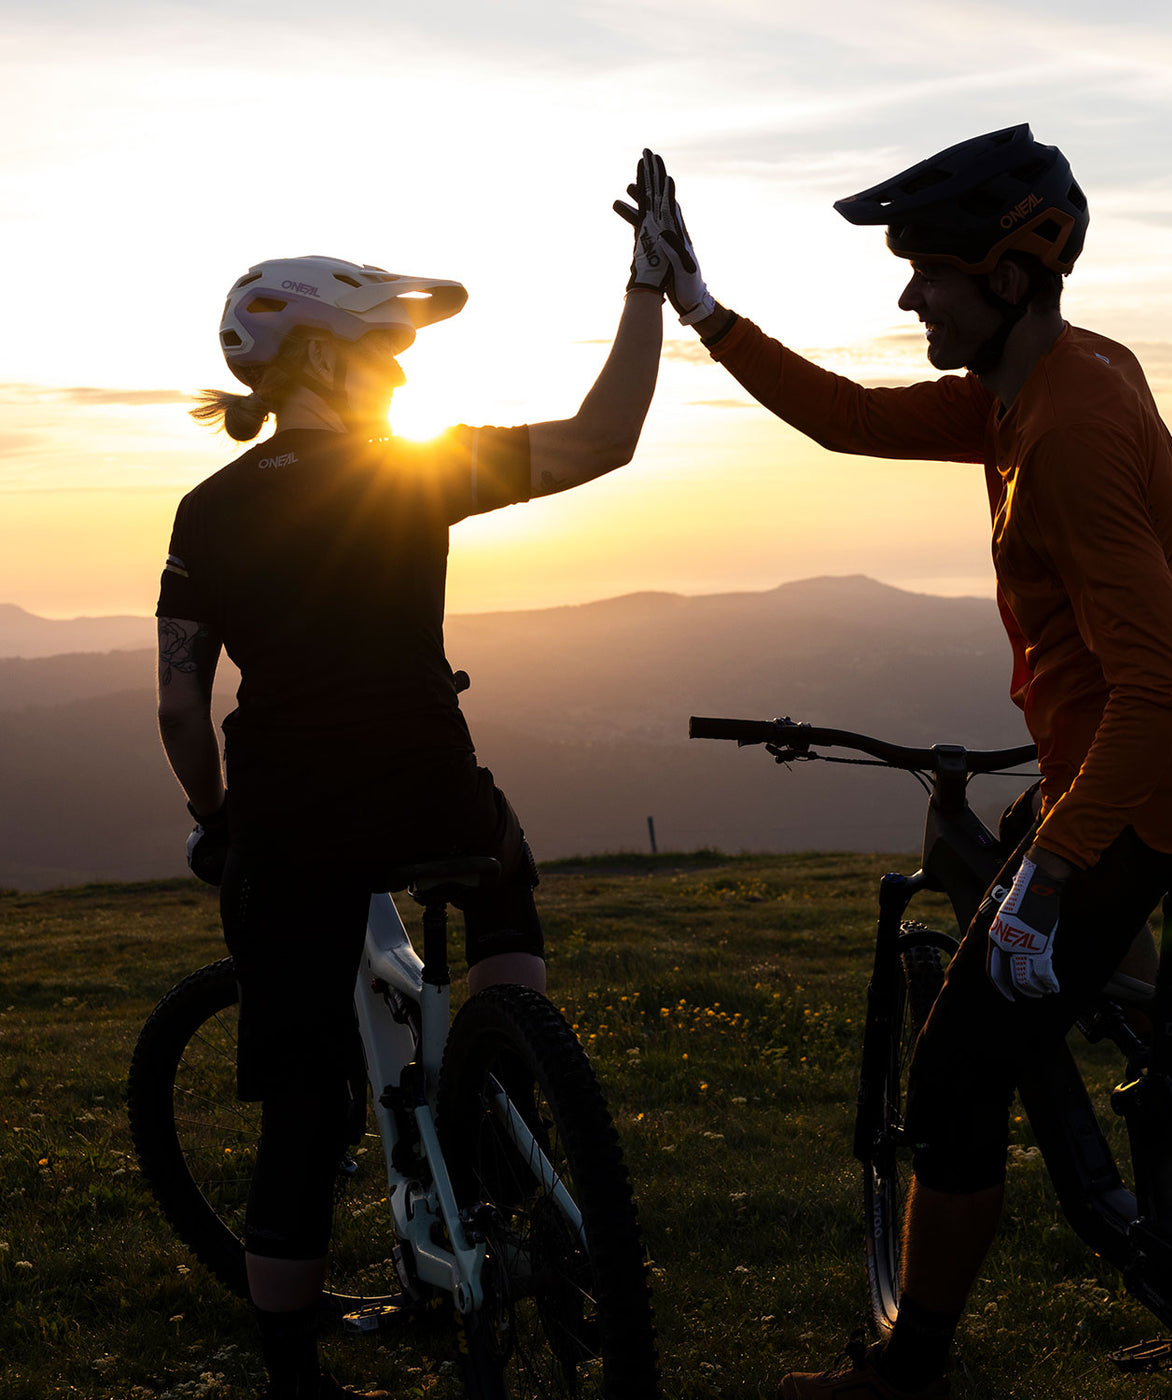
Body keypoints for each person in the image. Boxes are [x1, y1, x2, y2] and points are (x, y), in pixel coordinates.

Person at [630, 130, 1172, 1397]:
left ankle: (911, 1363)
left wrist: (1047, 878)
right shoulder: (1035, 382)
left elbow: (1155, 691)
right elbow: (850, 419)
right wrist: (700, 307)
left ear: (1007, 271)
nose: (905, 292)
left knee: (958, 1062)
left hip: (1161, 773)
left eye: (926, 268)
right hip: (1166, 758)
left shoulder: (1069, 435)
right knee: (1072, 946)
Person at [156, 154, 675, 1400]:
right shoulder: (412, 468)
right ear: (327, 357)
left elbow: (180, 704)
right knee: (500, 874)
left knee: (300, 1107)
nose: (400, 371)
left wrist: (216, 821)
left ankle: (297, 1374)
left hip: (284, 815)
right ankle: (505, 1079)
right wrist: (645, 285)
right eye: (383, 351)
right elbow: (606, 437)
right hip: (427, 788)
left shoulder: (206, 510)